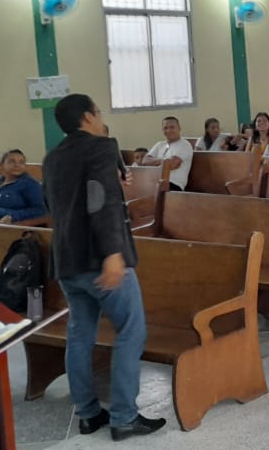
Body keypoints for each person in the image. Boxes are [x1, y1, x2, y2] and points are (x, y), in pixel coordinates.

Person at [44, 94, 166, 440]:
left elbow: (53, 201)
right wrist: (112, 252)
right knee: (131, 329)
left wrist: (111, 182)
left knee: (81, 333)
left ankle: (88, 414)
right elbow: (101, 202)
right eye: (98, 112)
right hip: (100, 257)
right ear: (87, 116)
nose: (101, 118)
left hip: (67, 259)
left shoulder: (52, 157)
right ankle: (124, 416)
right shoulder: (101, 147)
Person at [139, 116, 193, 191]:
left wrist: (156, 162)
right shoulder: (159, 144)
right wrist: (165, 161)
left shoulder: (184, 145)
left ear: (179, 128)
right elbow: (145, 161)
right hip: (155, 182)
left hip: (173, 184)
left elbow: (172, 164)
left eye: (172, 127)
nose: (168, 130)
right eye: (165, 128)